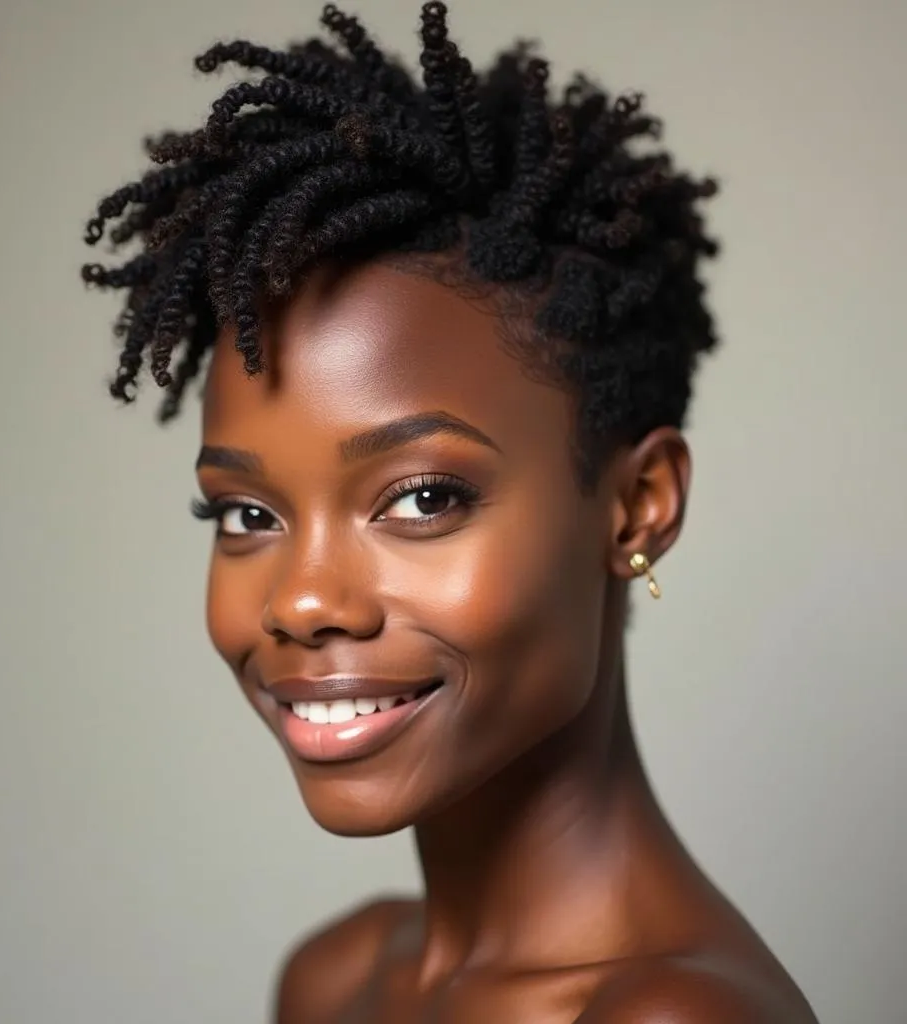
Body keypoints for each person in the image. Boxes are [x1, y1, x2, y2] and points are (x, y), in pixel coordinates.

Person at [81, 4, 819, 1020]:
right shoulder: (337, 980)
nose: (298, 601)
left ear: (636, 508)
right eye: (246, 513)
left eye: (422, 497)